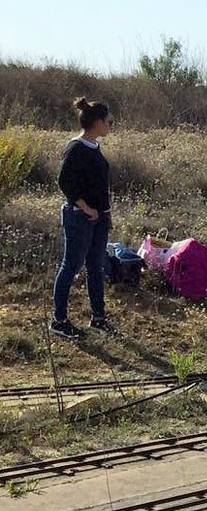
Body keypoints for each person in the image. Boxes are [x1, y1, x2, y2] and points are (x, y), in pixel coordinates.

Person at [51, 97, 114, 339]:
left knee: (96, 267)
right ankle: (59, 321)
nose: (110, 125)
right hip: (80, 218)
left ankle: (98, 318)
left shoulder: (95, 147)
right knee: (71, 266)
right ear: (98, 122)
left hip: (99, 219)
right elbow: (64, 182)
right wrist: (86, 208)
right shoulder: (75, 147)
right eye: (109, 121)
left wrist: (103, 214)